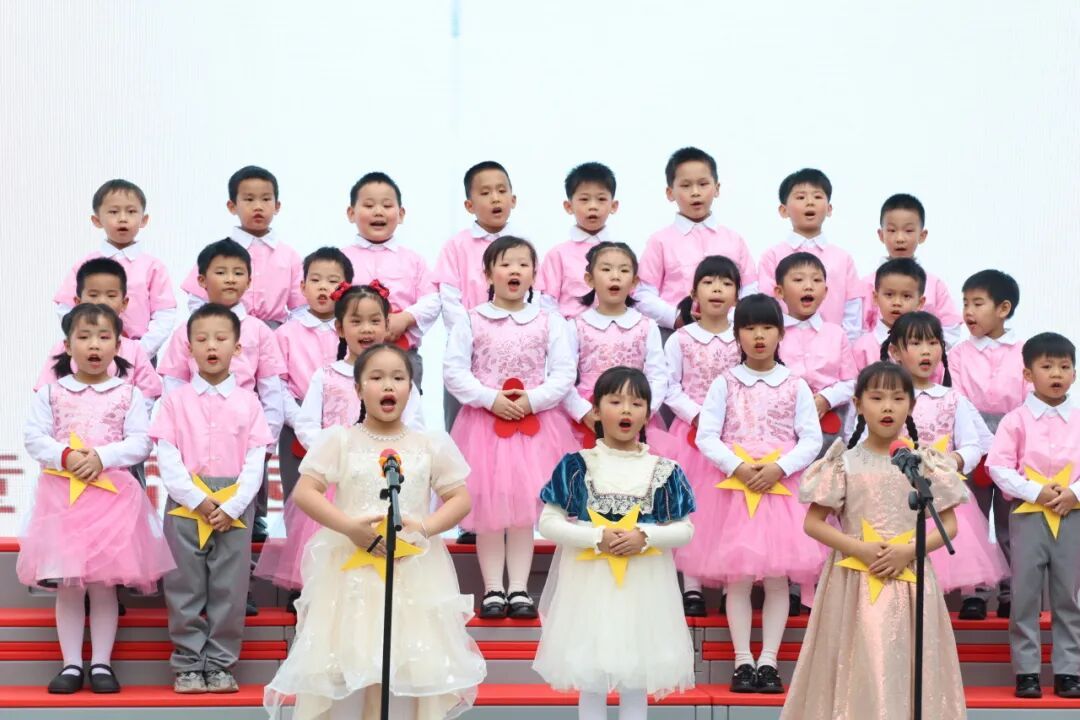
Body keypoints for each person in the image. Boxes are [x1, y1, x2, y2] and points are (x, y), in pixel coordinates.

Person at [264, 343, 486, 720]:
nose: (388, 386)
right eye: (377, 377)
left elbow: (460, 499)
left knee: (406, 665)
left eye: (398, 378)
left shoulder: (429, 444)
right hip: (352, 573)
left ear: (411, 389)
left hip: (412, 571)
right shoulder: (340, 440)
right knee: (352, 663)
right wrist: (351, 528)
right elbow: (305, 492)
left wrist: (425, 527)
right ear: (358, 388)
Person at [782, 362, 967, 720]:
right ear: (858, 403)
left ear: (911, 405)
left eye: (898, 398)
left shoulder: (922, 463)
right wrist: (860, 548)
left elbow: (949, 525)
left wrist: (907, 551)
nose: (887, 407)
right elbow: (813, 523)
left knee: (906, 662)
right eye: (877, 398)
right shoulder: (844, 463)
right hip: (853, 579)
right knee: (858, 660)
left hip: (910, 580)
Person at [19, 304, 173, 694]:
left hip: (112, 503)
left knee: (104, 585)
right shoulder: (52, 392)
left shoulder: (129, 394)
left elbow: (140, 442)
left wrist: (102, 457)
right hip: (62, 502)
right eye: (84, 337)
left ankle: (102, 663)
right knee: (69, 585)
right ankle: (71, 665)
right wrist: (66, 456)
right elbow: (34, 438)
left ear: (118, 345)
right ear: (67, 344)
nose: (94, 345)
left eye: (104, 337)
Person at [534, 366, 696, 720]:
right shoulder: (577, 465)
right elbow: (548, 522)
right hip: (589, 587)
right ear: (595, 410)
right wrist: (596, 537)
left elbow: (685, 530)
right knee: (590, 677)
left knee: (636, 677)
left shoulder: (665, 470)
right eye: (615, 401)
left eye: (636, 403)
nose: (626, 410)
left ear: (648, 414)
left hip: (645, 587)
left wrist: (645, 536)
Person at [687, 294, 824, 693]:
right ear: (738, 335)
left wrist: (781, 468)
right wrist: (739, 467)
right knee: (740, 580)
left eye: (767, 327)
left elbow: (811, 438)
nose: (758, 336)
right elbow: (707, 435)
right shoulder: (725, 383)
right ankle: (742, 660)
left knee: (778, 581)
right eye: (749, 328)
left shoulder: (795, 384)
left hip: (781, 492)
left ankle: (769, 662)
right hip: (734, 492)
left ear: (781, 333)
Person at [255, 285, 425, 597]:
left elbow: (415, 426)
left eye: (375, 321)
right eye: (356, 321)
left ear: (387, 325)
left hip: (381, 481)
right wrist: (336, 454)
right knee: (330, 563)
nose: (366, 329)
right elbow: (306, 424)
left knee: (379, 571)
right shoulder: (327, 375)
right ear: (340, 328)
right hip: (336, 485)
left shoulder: (401, 378)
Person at [443, 236, 576, 620]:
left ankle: (518, 588)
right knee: (488, 510)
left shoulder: (549, 321)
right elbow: (454, 371)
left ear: (534, 274)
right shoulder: (471, 319)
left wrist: (531, 400)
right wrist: (490, 399)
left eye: (522, 264)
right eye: (504, 264)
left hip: (536, 429)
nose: (514, 270)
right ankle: (492, 589)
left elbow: (564, 373)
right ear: (487, 274)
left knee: (522, 511)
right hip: (483, 428)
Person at [150, 303, 273, 693]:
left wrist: (232, 505)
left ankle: (220, 663)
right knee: (183, 585)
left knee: (229, 588)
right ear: (188, 348)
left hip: (234, 506)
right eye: (201, 339)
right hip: (186, 505)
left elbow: (255, 460)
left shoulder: (249, 402)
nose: (211, 346)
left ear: (237, 348)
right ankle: (188, 664)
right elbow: (167, 457)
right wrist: (197, 500)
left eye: (221, 338)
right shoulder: (175, 401)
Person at [850, 312, 1007, 608]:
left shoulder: (952, 398)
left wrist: (951, 462)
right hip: (892, 496)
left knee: (943, 558)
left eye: (934, 343)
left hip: (941, 493)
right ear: (895, 351)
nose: (927, 351)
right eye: (916, 343)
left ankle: (962, 604)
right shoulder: (884, 399)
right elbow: (863, 443)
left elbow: (973, 445)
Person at [158, 238, 287, 546]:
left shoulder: (259, 330)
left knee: (241, 529)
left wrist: (264, 445)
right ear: (202, 280)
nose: (230, 279)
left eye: (238, 272)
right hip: (193, 443)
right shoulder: (185, 330)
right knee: (189, 529)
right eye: (221, 272)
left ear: (249, 280)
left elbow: (272, 394)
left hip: (244, 438)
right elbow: (173, 389)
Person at [988, 332, 1080, 699]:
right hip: (1028, 515)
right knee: (1025, 595)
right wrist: (1035, 491)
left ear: (1074, 373)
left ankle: (1068, 670)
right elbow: (998, 466)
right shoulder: (1015, 421)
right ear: (1028, 374)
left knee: (1068, 595)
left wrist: (1074, 493)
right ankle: (1027, 671)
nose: (1056, 373)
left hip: (1072, 515)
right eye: (1047, 366)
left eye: (1065, 366)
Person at [653, 255, 743, 616]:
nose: (717, 289)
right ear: (694, 293)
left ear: (737, 295)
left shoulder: (742, 338)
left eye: (726, 283)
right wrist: (699, 416)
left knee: (729, 510)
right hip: (690, 436)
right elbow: (670, 387)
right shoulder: (681, 339)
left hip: (734, 435)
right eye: (709, 282)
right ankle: (691, 587)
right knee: (691, 509)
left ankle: (729, 582)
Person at [949, 269, 1027, 619]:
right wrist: (983, 444)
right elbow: (959, 399)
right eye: (965, 303)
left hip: (1015, 445)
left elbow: (1027, 401)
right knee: (974, 520)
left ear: (1003, 308)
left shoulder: (1024, 351)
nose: (968, 311)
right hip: (972, 443)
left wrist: (1006, 444)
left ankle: (1013, 592)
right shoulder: (958, 354)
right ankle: (975, 593)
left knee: (1011, 523)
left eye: (978, 303)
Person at [636, 146, 756, 330]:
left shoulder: (734, 240)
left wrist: (730, 318)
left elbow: (750, 288)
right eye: (685, 186)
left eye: (703, 184)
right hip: (674, 333)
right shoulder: (659, 241)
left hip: (729, 333)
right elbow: (643, 293)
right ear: (670, 193)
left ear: (717, 188)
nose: (695, 192)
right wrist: (677, 317)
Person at [52, 179, 176, 357]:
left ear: (144, 219)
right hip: (92, 352)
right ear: (97, 220)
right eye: (113, 212)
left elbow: (164, 313)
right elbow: (66, 308)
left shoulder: (153, 267)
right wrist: (84, 340)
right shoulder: (84, 265)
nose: (123, 218)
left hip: (141, 352)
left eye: (131, 211)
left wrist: (141, 350)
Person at [341, 172, 441, 386]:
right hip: (350, 358)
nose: (378, 211)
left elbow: (432, 300)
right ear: (351, 213)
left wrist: (405, 318)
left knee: (405, 405)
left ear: (401, 214)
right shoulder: (340, 260)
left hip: (403, 354)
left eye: (387, 205)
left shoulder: (413, 260)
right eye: (369, 205)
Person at [562, 242, 666, 445]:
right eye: (606, 269)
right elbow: (563, 376)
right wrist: (584, 413)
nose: (615, 276)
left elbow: (658, 376)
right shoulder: (576, 326)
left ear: (634, 282)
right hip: (590, 416)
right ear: (589, 279)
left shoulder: (647, 326)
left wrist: (644, 412)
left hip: (635, 415)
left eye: (624, 270)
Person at [275, 248, 355, 505]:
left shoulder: (352, 331)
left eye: (333, 281)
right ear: (302, 286)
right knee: (299, 499)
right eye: (315, 280)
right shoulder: (286, 333)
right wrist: (301, 421)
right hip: (296, 422)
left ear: (347, 288)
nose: (323, 287)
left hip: (346, 421)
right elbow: (278, 385)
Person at [179, 166, 304, 326]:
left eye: (266, 199)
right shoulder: (216, 253)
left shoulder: (290, 256)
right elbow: (197, 300)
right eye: (249, 199)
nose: (258, 206)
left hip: (275, 333)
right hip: (225, 330)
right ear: (232, 206)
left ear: (277, 206)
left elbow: (300, 307)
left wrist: (286, 333)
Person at [37, 258, 161, 417]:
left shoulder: (134, 350)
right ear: (78, 302)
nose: (102, 301)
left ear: (124, 303)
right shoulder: (62, 348)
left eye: (111, 295)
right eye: (93, 295)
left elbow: (146, 397)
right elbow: (45, 397)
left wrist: (130, 424)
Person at [757, 168, 862, 340]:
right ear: (783, 210)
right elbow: (765, 305)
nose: (810, 202)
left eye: (817, 196)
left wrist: (845, 345)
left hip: (831, 347)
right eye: (800, 197)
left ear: (829, 208)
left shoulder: (843, 259)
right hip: (783, 345)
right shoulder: (772, 256)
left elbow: (853, 310)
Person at [773, 251, 856, 451]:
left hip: (828, 423)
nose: (808, 286)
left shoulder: (836, 334)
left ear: (825, 292)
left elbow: (851, 382)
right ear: (779, 292)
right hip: (782, 424)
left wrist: (826, 399)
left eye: (816, 280)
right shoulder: (772, 334)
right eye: (798, 280)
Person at [860, 193, 963, 345]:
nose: (900, 238)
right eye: (892, 230)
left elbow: (951, 328)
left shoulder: (934, 285)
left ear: (922, 235)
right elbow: (858, 329)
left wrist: (924, 350)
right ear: (881, 235)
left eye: (908, 231)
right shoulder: (866, 284)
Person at [537, 162, 621, 319]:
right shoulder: (557, 254)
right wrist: (563, 330)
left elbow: (632, 299)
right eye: (584, 199)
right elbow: (548, 303)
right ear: (569, 206)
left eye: (601, 199)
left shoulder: (622, 254)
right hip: (570, 329)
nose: (593, 206)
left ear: (613, 206)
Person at [852, 258, 927, 373]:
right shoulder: (862, 347)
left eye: (906, 296)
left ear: (920, 303)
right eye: (889, 294)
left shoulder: (927, 348)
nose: (897, 302)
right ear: (875, 298)